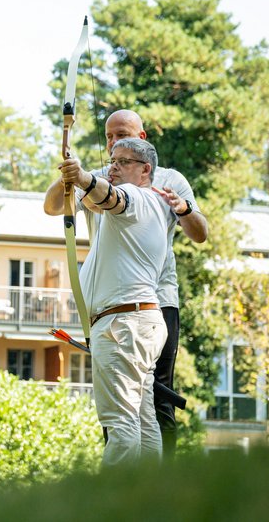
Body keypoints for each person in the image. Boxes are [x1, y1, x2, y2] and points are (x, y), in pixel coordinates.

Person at [44, 138, 172, 465]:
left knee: (121, 421)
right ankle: (148, 502)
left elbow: (112, 198)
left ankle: (113, 506)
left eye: (123, 162)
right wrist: (73, 177)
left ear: (145, 170)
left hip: (123, 324)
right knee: (142, 419)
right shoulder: (149, 205)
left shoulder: (139, 198)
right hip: (136, 322)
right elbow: (53, 206)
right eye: (112, 161)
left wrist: (84, 177)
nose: (113, 167)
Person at [95, 110, 208, 457]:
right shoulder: (107, 174)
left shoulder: (169, 178)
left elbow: (200, 233)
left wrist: (185, 209)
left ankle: (163, 483)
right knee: (123, 397)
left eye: (123, 136)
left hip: (157, 299)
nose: (114, 144)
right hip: (111, 301)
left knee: (158, 393)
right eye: (110, 138)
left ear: (142, 140)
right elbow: (62, 203)